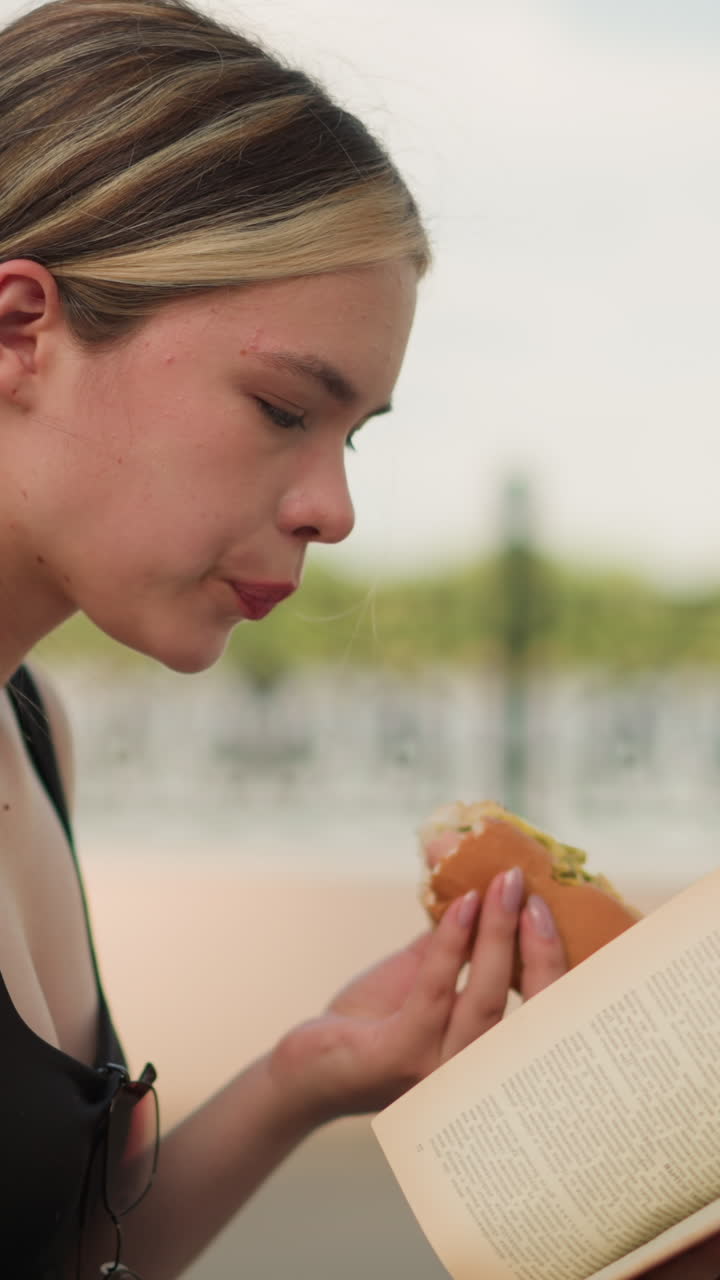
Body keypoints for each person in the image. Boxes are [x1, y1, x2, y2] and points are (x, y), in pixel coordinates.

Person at [0, 2, 707, 1279]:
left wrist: (304, 1072)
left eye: (354, 433)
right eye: (282, 407)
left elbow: (63, 1252)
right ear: (20, 327)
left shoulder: (38, 728)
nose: (335, 505)